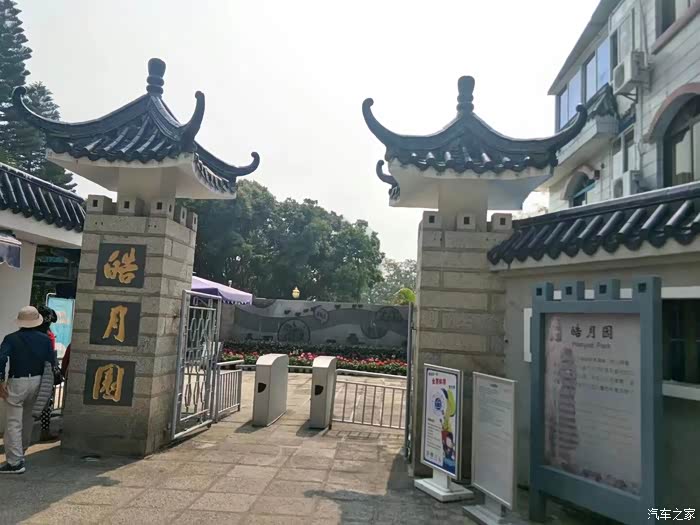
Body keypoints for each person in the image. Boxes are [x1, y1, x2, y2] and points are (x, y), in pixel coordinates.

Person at [0, 306, 57, 474]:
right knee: (28, 420)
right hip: (38, 381)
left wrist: (1, 381)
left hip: (18, 381)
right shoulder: (45, 340)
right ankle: (21, 452)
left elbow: (1, 359)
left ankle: (15, 462)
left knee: (13, 422)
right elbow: (51, 362)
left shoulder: (11, 338)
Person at [36, 306, 57, 442]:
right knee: (46, 403)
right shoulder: (48, 335)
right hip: (46, 371)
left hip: (30, 370)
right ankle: (44, 431)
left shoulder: (30, 332)